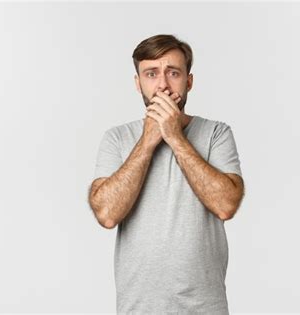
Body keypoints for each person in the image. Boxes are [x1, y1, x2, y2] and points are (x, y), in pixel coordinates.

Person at [88, 34, 245, 314]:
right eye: (151, 74)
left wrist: (175, 137)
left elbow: (226, 205)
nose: (162, 84)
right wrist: (148, 141)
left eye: (173, 73)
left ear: (189, 81)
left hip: (204, 308)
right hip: (138, 308)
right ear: (138, 84)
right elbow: (107, 214)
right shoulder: (117, 138)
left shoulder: (217, 134)